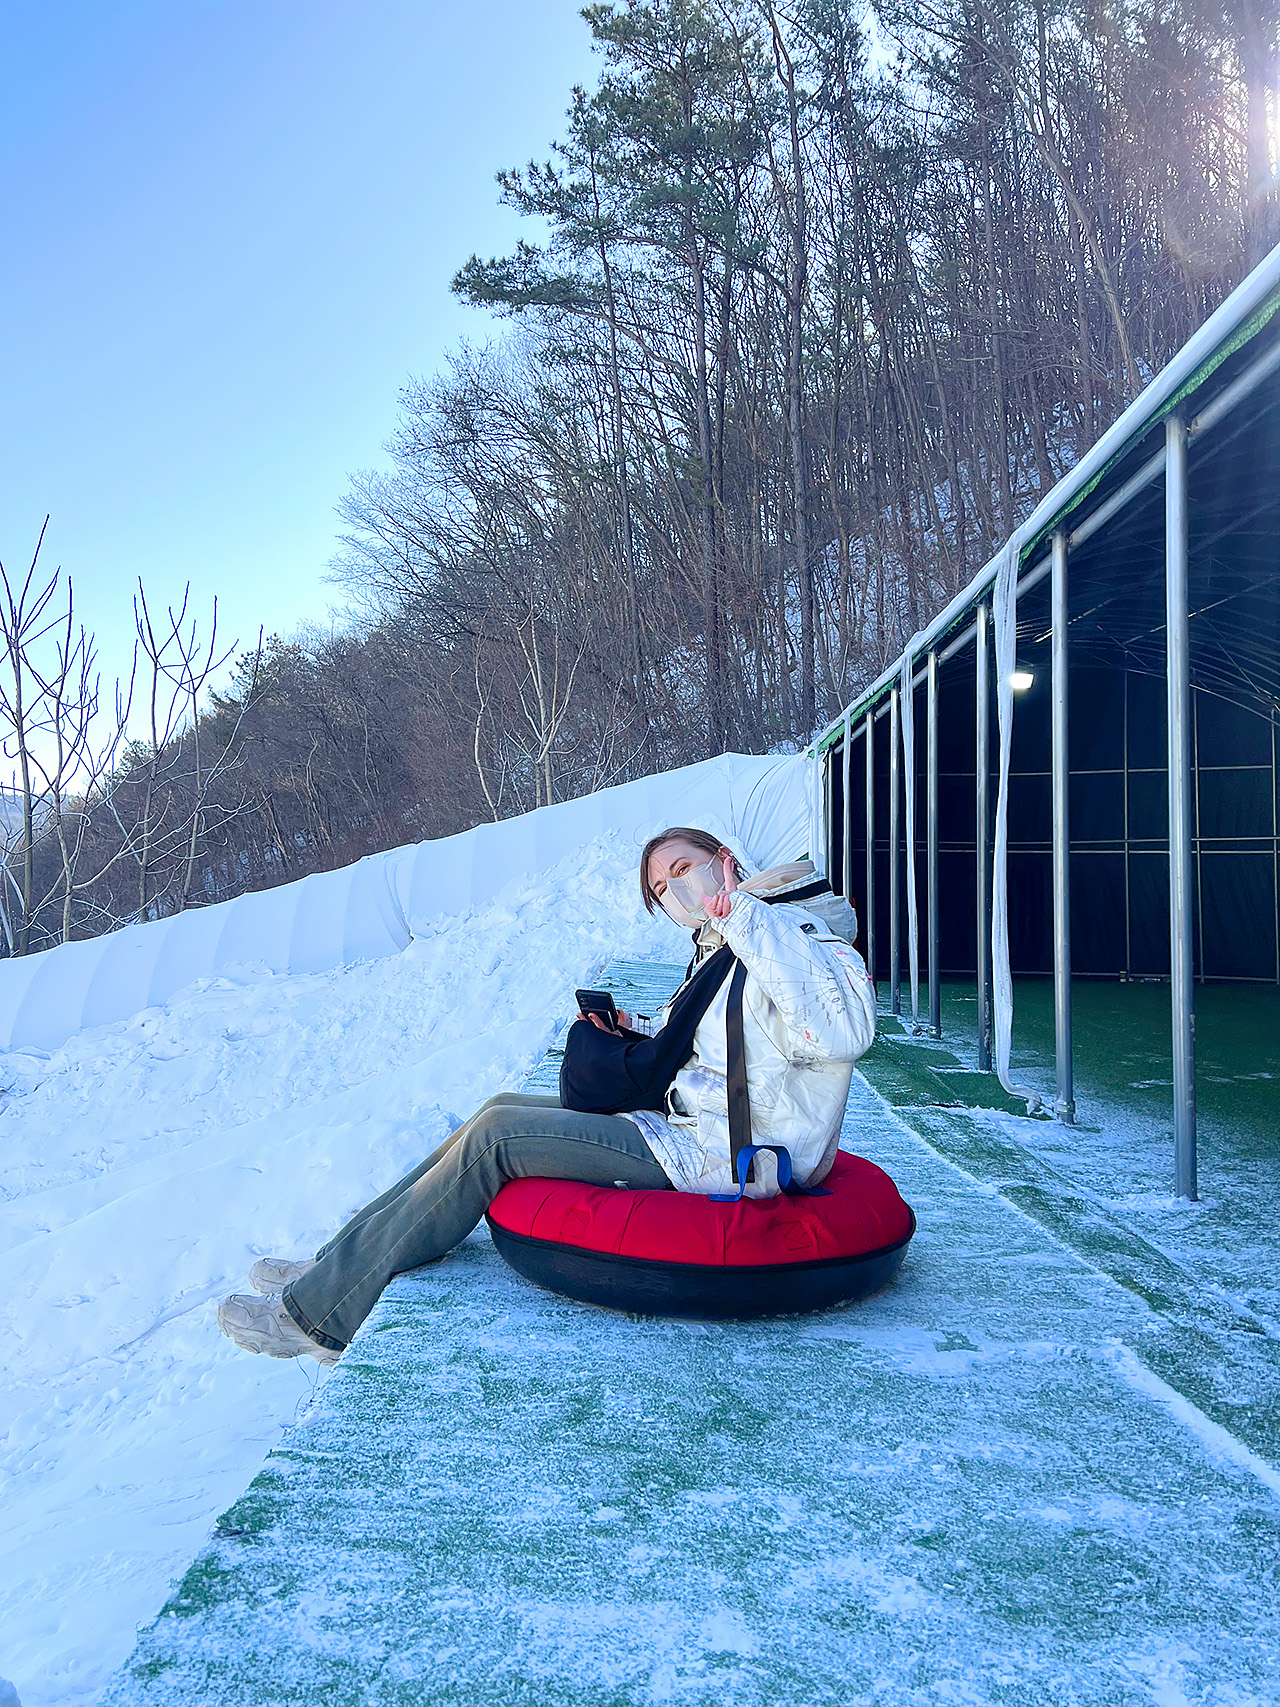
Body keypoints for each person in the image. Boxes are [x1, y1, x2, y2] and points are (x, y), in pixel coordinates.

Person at [217, 828, 877, 1365]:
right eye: (660, 888)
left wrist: (747, 919)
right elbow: (715, 1046)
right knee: (497, 1108)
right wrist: (633, 1027)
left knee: (496, 1139)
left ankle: (319, 1318)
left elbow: (843, 1032)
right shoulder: (723, 944)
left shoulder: (802, 930)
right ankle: (333, 1264)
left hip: (730, 1153)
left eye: (682, 869)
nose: (675, 890)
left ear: (724, 860)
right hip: (688, 1124)